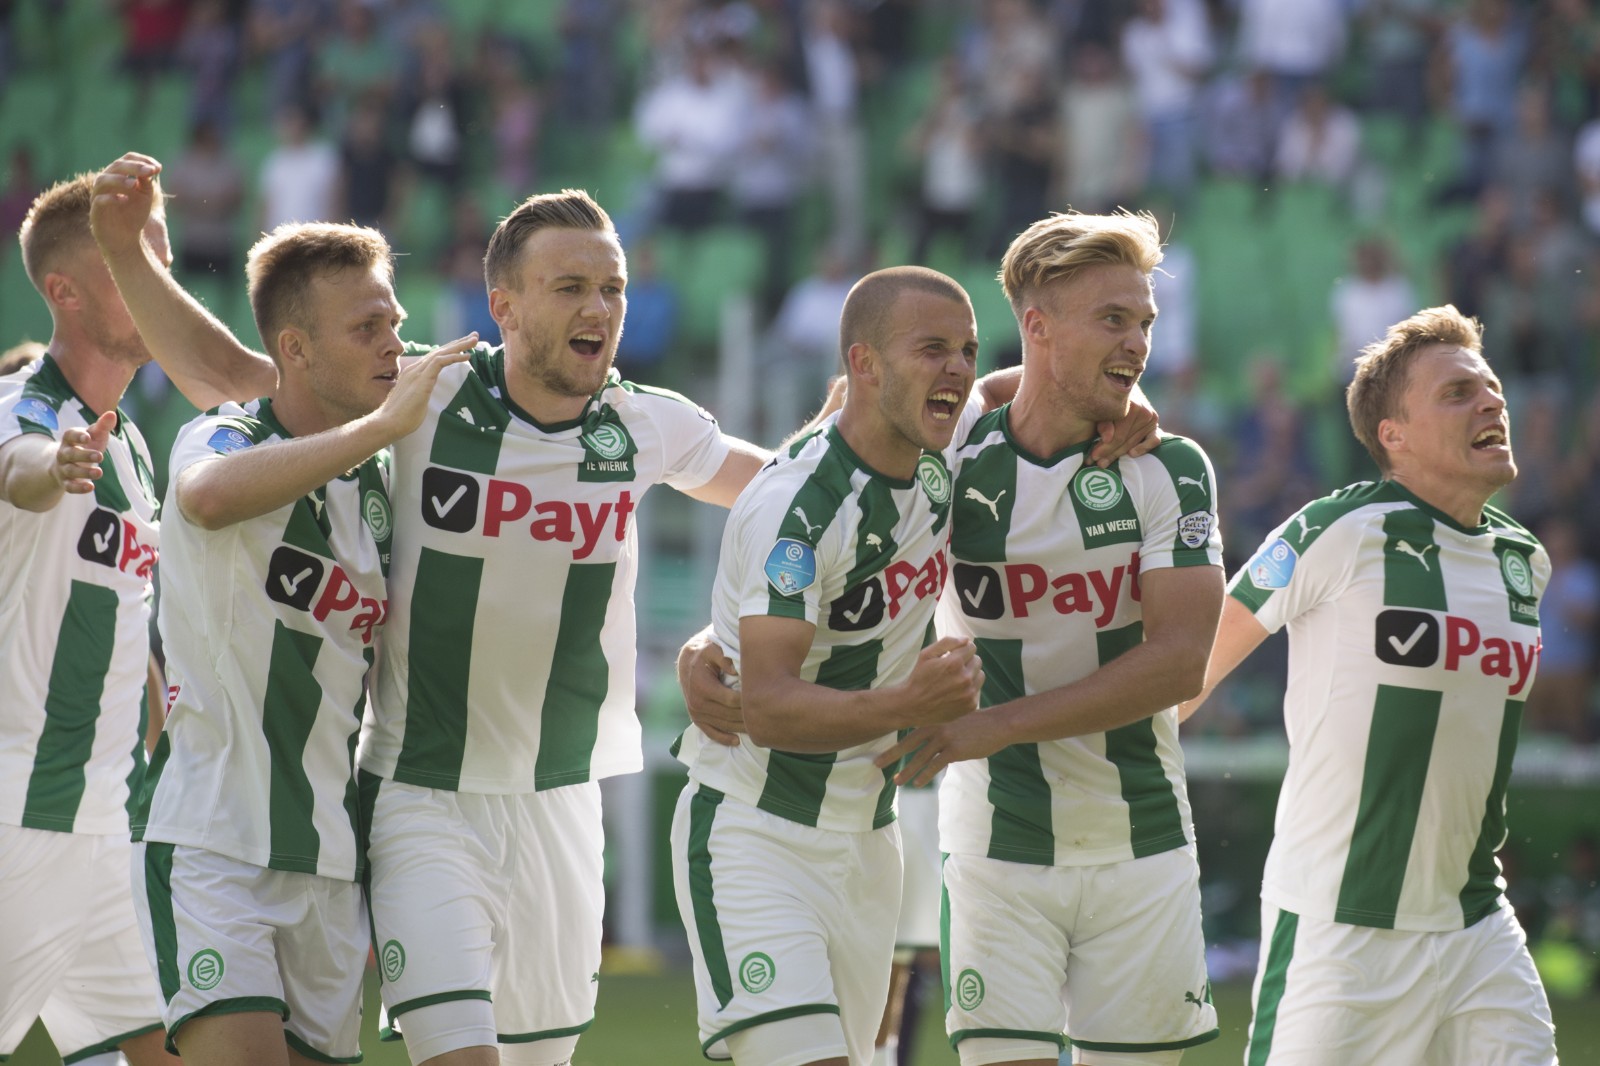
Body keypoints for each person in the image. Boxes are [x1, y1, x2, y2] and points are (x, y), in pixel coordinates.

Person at [94, 155, 773, 1066]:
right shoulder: (420, 397)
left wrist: (713, 632)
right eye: (569, 285)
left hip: (562, 802)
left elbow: (783, 502)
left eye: (611, 286)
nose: (599, 308)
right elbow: (242, 375)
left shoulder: (648, 423)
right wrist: (130, 259)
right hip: (420, 795)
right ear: (505, 306)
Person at [117, 215, 473, 1064]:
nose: (395, 343)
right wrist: (381, 429)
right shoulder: (226, 435)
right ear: (297, 349)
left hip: (329, 860)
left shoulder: (381, 484)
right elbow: (204, 498)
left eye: (393, 320)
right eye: (366, 328)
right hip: (213, 843)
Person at [873, 211, 1224, 1065]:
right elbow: (831, 476)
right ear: (1037, 327)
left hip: (1141, 844)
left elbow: (1178, 663)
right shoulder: (951, 454)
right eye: (1113, 319)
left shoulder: (1170, 468)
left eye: (1143, 322)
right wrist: (714, 640)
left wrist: (993, 726)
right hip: (996, 845)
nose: (1138, 342)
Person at [1181, 305, 1560, 1064]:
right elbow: (1191, 668)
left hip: (1477, 924)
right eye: (1457, 394)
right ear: (1394, 436)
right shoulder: (1338, 530)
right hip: (1341, 929)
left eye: (1490, 387)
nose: (1491, 401)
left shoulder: (1526, 561)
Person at [669, 265, 989, 1066]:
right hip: (755, 833)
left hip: (866, 840)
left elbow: (1031, 388)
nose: (957, 368)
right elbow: (771, 708)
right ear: (864, 364)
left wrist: (1132, 408)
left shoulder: (939, 445)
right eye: (932, 349)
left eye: (968, 350)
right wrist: (912, 701)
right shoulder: (799, 510)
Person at [0, 164, 254, 1066]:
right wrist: (53, 467)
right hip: (24, 816)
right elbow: (19, 467)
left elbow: (125, 625)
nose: (159, 287)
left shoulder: (136, 446)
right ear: (63, 290)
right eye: (130, 264)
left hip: (102, 826)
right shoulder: (26, 413)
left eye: (165, 263)